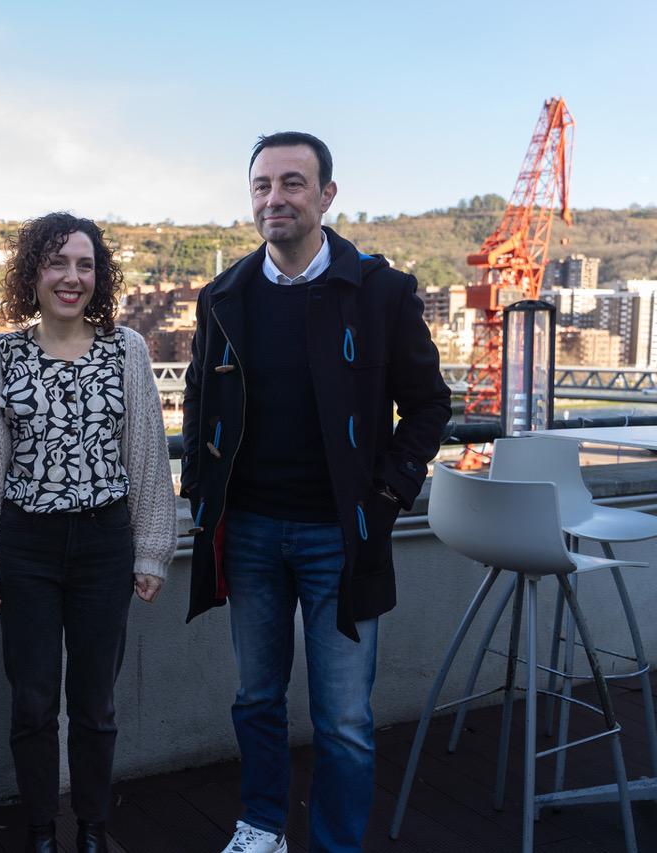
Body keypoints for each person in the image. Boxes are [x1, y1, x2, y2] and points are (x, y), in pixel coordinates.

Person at [181, 132, 451, 853]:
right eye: (262, 185)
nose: (275, 198)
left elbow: (429, 404)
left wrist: (388, 493)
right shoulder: (224, 296)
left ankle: (336, 844)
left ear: (327, 195)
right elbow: (200, 398)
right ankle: (262, 825)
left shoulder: (381, 292)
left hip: (341, 534)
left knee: (345, 720)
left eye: (292, 183)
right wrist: (199, 488)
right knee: (256, 697)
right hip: (249, 531)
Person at [0, 212, 177, 853]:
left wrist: (152, 550)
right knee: (32, 701)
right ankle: (40, 831)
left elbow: (147, 457)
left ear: (99, 276)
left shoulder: (126, 350)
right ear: (33, 273)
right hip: (27, 546)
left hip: (105, 544)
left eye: (84, 264)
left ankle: (94, 829)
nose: (71, 277)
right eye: (57, 262)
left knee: (96, 703)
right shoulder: (2, 354)